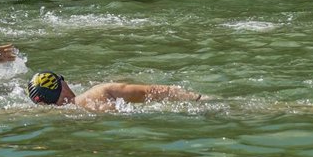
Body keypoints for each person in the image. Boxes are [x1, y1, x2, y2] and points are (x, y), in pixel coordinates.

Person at [26, 71, 204, 111]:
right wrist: (198, 98)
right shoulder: (101, 92)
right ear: (62, 85)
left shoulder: (49, 115)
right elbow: (154, 91)